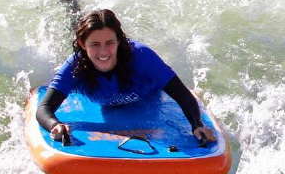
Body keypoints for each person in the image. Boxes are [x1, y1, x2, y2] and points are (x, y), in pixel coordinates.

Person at [36, 9, 216, 145]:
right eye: (95, 44)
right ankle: (70, 3)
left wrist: (196, 125)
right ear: (83, 44)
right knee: (73, 28)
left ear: (119, 41)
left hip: (147, 100)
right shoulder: (75, 66)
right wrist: (55, 125)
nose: (103, 52)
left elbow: (182, 94)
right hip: (104, 103)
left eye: (110, 43)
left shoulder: (141, 56)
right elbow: (44, 108)